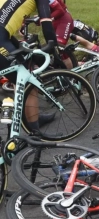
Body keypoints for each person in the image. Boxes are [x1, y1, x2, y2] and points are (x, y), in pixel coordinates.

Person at [0, 0, 58, 133]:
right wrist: (53, 48)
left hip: (3, 37)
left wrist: (16, 46)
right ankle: (35, 133)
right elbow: (47, 23)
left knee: (20, 74)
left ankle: (30, 117)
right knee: (28, 86)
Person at [49, 0, 74, 68]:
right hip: (54, 21)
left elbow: (60, 10)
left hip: (64, 20)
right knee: (52, 47)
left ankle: (71, 76)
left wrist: (46, 18)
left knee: (60, 48)